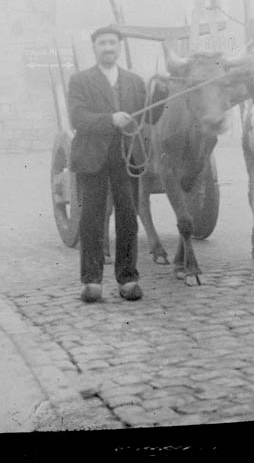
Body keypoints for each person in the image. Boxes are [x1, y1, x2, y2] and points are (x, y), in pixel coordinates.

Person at [68, 26, 148, 303]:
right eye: (102, 43)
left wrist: (160, 93)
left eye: (112, 43)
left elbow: (149, 116)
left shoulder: (136, 82)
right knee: (92, 220)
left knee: (128, 218)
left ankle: (128, 279)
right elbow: (77, 118)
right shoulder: (80, 81)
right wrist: (110, 120)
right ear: (95, 48)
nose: (108, 48)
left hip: (126, 158)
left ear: (119, 47)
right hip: (93, 158)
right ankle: (91, 282)